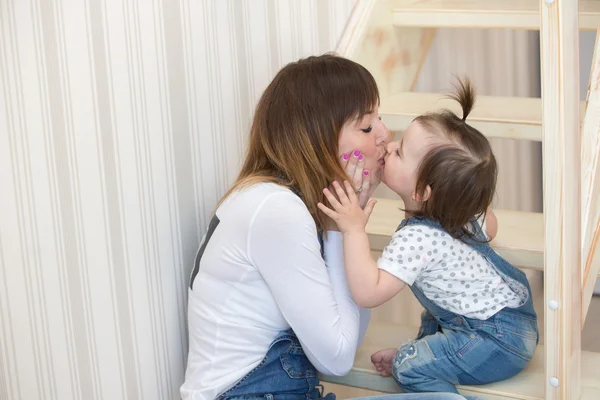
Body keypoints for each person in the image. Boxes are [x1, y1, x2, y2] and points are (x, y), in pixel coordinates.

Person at [181, 54, 467, 400]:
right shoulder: (277, 210)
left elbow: (349, 335)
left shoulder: (283, 202)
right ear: (318, 140)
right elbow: (337, 358)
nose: (383, 134)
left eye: (379, 118)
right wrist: (340, 233)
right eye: (366, 126)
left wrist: (347, 232)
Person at [317, 78, 539, 395]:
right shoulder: (457, 215)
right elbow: (491, 224)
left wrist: (353, 229)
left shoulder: (418, 238)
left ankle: (432, 378)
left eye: (400, 152)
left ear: (421, 191)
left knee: (405, 368)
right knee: (434, 317)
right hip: (517, 322)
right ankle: (431, 357)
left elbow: (368, 293)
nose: (389, 146)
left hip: (493, 343)